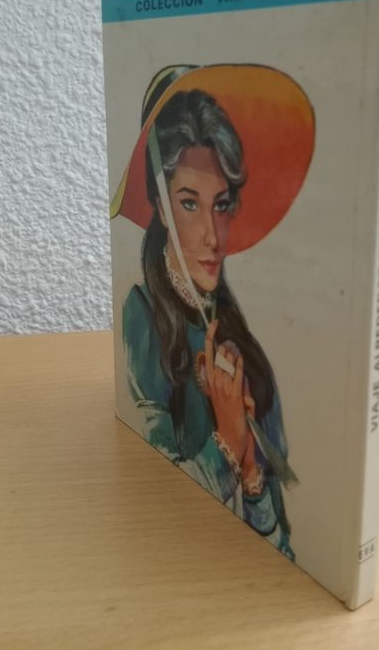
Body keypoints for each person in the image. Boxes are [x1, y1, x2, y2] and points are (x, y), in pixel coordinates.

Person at [114, 65, 315, 558]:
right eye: (189, 203)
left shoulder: (238, 337)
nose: (211, 234)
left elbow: (281, 547)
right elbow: (156, 502)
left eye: (221, 205)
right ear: (160, 206)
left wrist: (250, 469)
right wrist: (227, 439)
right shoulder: (142, 317)